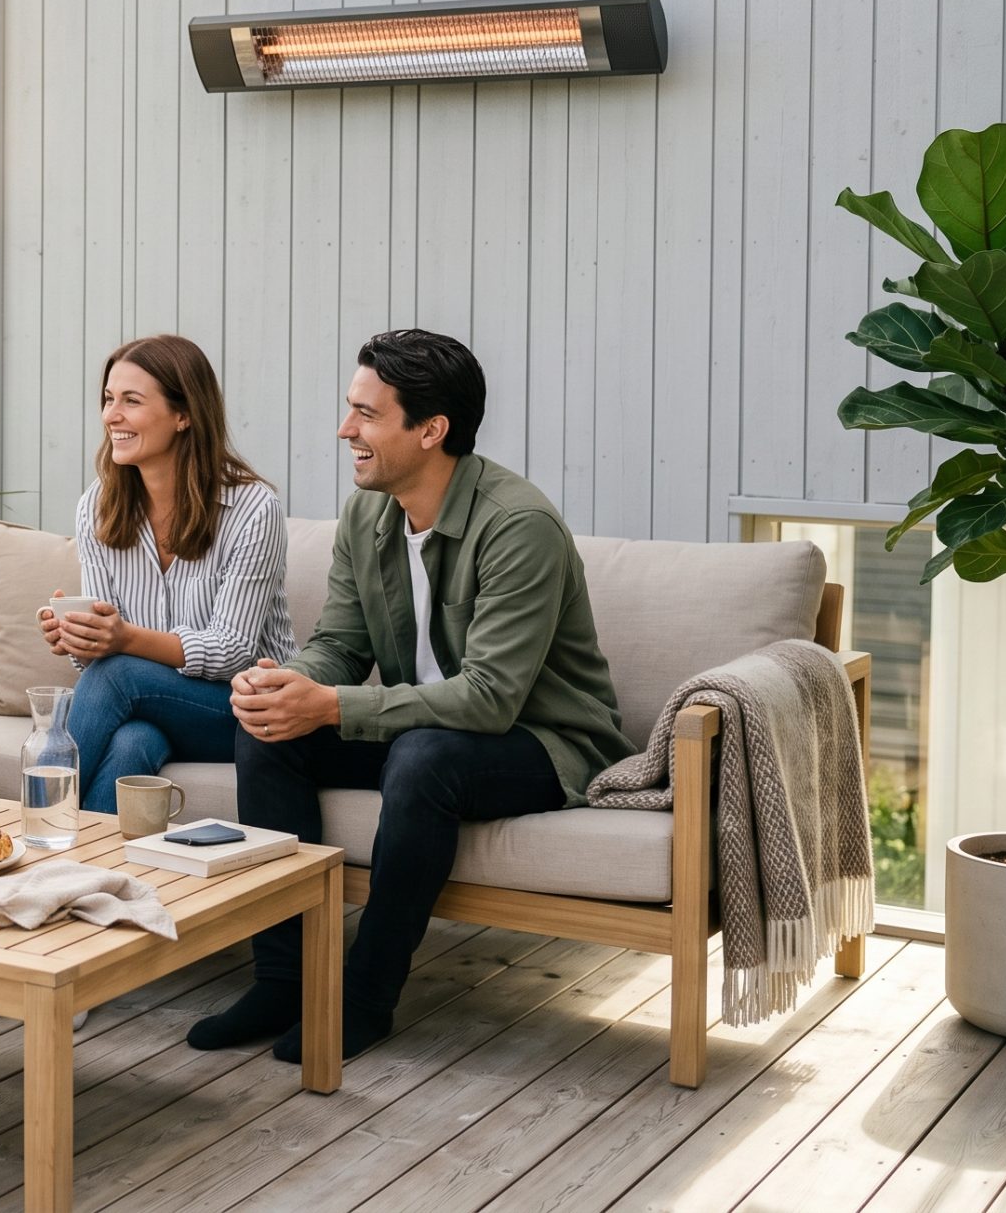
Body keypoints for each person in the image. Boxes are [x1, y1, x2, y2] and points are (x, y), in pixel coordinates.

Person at [201, 329, 626, 1064]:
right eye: (350, 409)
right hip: (423, 735)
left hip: (545, 744)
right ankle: (284, 979)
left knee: (425, 758)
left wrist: (335, 706)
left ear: (431, 430)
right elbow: (340, 645)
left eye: (367, 414)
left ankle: (364, 998)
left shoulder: (518, 527)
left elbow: (490, 698)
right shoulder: (367, 515)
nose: (346, 430)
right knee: (271, 730)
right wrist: (291, 683)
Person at [42, 334, 295, 813]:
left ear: (184, 415)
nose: (111, 415)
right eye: (108, 399)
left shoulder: (252, 508)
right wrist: (81, 637)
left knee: (119, 675)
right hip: (149, 705)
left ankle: (37, 820)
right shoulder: (97, 505)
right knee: (132, 743)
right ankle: (81, 857)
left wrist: (121, 639)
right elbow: (100, 662)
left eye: (131, 401)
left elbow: (234, 649)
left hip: (246, 710)